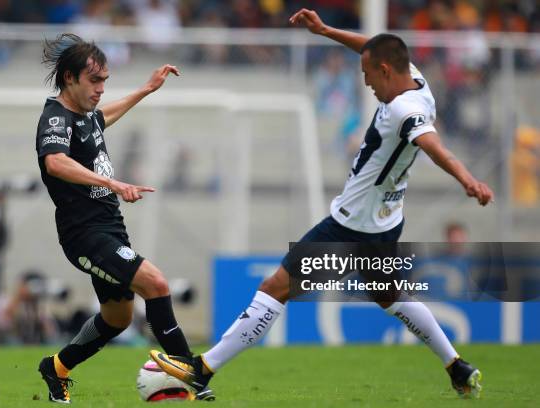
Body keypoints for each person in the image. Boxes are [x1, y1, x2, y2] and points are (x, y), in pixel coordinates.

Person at [150, 8, 493, 399]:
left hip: (350, 226)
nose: (365, 84)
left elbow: (434, 147)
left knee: (274, 287)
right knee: (390, 295)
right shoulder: (415, 79)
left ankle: (203, 369)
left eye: (367, 76)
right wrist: (326, 30)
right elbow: (371, 47)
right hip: (385, 221)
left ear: (384, 70)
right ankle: (457, 366)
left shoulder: (405, 109)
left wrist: (468, 180)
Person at [35, 33, 214, 403]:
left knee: (117, 318)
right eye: (94, 80)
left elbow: (104, 117)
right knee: (156, 283)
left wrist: (147, 89)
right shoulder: (55, 116)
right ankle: (192, 374)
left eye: (105, 81)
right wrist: (111, 182)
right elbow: (55, 162)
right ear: (69, 78)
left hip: (111, 230)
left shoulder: (85, 117)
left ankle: (57, 367)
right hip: (84, 236)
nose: (101, 88)